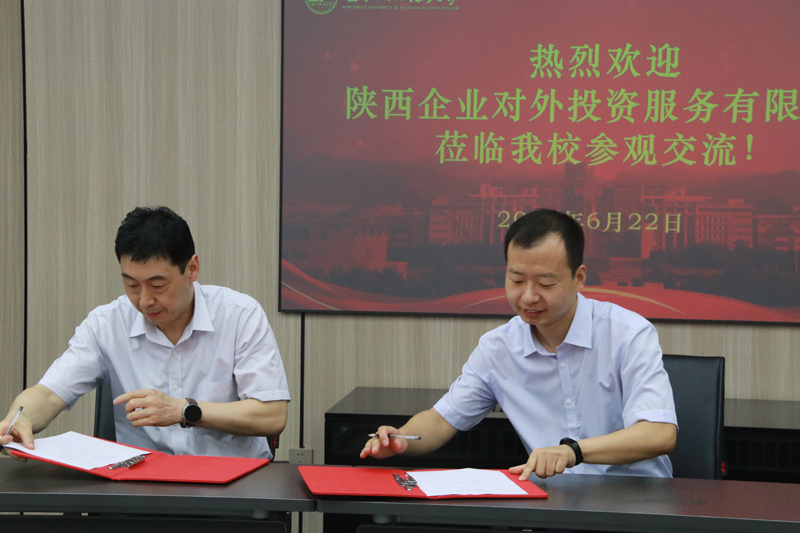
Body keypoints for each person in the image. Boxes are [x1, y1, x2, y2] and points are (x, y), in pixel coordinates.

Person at [361, 209, 677, 479]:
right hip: (552, 506)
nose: (528, 296)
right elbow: (441, 420)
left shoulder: (628, 334)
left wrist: (573, 452)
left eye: (545, 283)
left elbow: (659, 433)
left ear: (579, 278)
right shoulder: (498, 349)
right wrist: (401, 439)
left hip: (637, 503)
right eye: (516, 280)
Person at [0, 206, 289, 459]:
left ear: (192, 268)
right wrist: (17, 420)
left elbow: (272, 415)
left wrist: (184, 410)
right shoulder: (107, 324)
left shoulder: (240, 316)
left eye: (157, 285)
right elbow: (49, 394)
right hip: (140, 486)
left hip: (234, 484)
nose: (145, 300)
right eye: (132, 285)